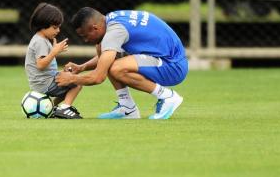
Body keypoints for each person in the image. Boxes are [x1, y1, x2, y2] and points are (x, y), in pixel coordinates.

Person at [55, 7, 188, 119]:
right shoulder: (111, 19)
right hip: (165, 58)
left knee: (116, 68)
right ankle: (127, 108)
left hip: (172, 66)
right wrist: (82, 67)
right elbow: (106, 56)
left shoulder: (115, 32)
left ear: (94, 28)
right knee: (102, 49)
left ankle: (168, 97)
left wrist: (72, 78)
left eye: (84, 35)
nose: (85, 40)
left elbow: (98, 77)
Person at [25, 2, 82, 119]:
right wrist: (54, 52)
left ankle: (52, 107)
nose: (58, 30)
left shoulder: (42, 39)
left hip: (45, 80)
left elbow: (46, 64)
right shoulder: (40, 41)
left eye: (59, 27)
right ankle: (65, 108)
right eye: (55, 27)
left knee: (70, 75)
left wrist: (55, 54)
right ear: (42, 25)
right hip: (43, 83)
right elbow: (40, 65)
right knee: (77, 82)